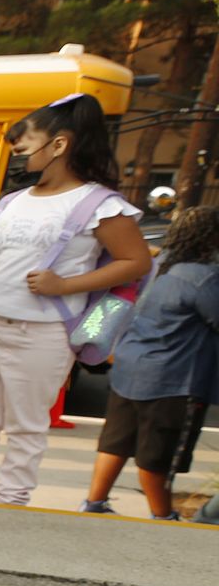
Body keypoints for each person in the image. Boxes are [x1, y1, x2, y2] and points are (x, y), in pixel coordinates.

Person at [0, 94, 152, 505]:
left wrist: (65, 286)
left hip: (45, 332)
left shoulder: (99, 204)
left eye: (25, 145)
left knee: (26, 425)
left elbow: (136, 261)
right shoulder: (10, 203)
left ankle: (10, 499)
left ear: (59, 145)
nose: (19, 154)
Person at [82, 204, 219, 519]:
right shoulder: (205, 278)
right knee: (158, 454)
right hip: (173, 377)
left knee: (115, 442)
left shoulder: (160, 266)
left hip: (131, 366)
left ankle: (94, 503)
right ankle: (162, 516)